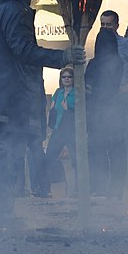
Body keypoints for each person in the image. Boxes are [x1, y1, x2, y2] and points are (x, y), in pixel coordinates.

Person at [0, 0, 85, 220]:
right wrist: (64, 57)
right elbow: (23, 51)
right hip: (12, 98)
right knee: (10, 159)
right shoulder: (16, 12)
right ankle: (0, 215)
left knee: (0, 158)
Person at [87, 28, 126, 199]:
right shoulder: (119, 62)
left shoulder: (94, 64)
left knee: (98, 151)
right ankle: (117, 191)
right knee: (117, 153)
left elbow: (87, 87)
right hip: (116, 109)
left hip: (97, 110)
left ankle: (100, 188)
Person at [45, 66, 77, 196]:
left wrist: (67, 108)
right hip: (58, 129)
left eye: (69, 76)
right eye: (64, 77)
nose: (67, 79)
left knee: (76, 161)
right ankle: (60, 181)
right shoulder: (58, 92)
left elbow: (79, 109)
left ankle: (77, 190)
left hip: (71, 129)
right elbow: (52, 109)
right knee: (49, 157)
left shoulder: (77, 92)